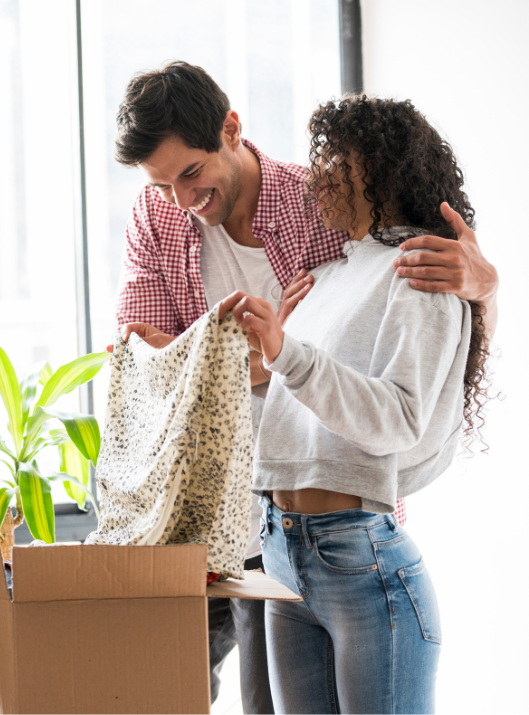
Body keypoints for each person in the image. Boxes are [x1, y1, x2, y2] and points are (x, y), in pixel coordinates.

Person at [108, 61, 499, 712]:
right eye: (160, 183)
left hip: (337, 518)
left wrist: (485, 284)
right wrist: (264, 357)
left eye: (190, 174)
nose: (178, 199)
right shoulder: (155, 216)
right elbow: (145, 357)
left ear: (231, 130)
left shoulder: (322, 208)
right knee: (177, 685)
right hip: (221, 501)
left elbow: (394, 361)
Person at [218, 94, 489, 713]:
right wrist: (260, 361)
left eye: (336, 158)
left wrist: (288, 353)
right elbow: (302, 410)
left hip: (357, 554)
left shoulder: (419, 270)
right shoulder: (332, 277)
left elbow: (395, 419)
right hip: (282, 549)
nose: (320, 175)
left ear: (381, 166)